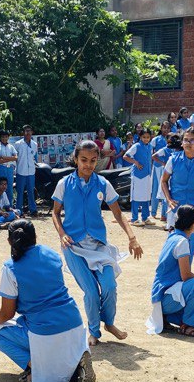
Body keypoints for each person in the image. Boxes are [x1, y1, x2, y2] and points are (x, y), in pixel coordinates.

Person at [0, 219, 94, 382]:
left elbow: (6, 313)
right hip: (74, 324)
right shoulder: (52, 254)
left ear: (10, 241)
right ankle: (74, 360)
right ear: (35, 237)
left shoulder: (10, 268)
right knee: (23, 322)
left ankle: (41, 368)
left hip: (44, 330)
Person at [51, 140, 144, 345]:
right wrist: (62, 234)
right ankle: (94, 332)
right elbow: (55, 213)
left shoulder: (103, 184)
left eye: (93, 160)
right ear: (76, 159)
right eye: (83, 160)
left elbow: (118, 215)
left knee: (109, 285)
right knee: (91, 292)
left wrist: (132, 238)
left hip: (99, 245)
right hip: (73, 246)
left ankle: (109, 323)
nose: (88, 165)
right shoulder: (64, 184)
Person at [147, 203, 194, 337]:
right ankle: (189, 325)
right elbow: (186, 276)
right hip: (167, 297)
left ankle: (169, 317)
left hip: (172, 296)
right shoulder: (182, 242)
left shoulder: (173, 236)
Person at [122, 128, 154, 223]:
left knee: (146, 196)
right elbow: (125, 156)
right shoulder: (136, 146)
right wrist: (135, 162)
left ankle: (145, 217)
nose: (146, 139)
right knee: (136, 196)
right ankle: (134, 218)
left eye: (148, 137)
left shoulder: (150, 147)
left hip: (147, 175)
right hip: (137, 175)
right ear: (140, 137)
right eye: (144, 137)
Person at [13, 125, 39, 216]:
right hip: (21, 171)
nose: (27, 133)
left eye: (29, 131)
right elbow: (14, 158)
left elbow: (34, 157)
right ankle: (18, 211)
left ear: (32, 132)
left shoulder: (34, 144)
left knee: (31, 191)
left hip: (31, 171)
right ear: (23, 132)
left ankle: (33, 209)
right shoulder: (18, 144)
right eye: (26, 131)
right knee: (20, 192)